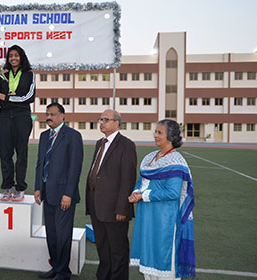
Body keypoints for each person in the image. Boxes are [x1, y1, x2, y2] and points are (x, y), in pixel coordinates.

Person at [128, 120, 196, 280]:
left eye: (160, 132)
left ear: (170, 136)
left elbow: (173, 192)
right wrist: (136, 191)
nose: (155, 135)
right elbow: (142, 180)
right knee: (148, 265)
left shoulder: (176, 161)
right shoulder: (150, 157)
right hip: (147, 217)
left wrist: (144, 196)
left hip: (165, 219)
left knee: (166, 264)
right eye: (155, 132)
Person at [85, 109, 137, 280]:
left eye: (106, 119)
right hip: (96, 205)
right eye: (101, 119)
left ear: (117, 123)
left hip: (115, 208)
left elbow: (128, 179)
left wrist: (123, 208)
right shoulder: (100, 142)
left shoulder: (126, 145)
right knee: (103, 247)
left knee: (118, 250)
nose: (102, 122)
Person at [34, 103, 83, 280]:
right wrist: (38, 187)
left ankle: (63, 272)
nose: (49, 117)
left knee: (63, 236)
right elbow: (40, 163)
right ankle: (56, 267)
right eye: (47, 114)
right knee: (52, 235)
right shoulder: (44, 135)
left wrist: (68, 194)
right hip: (47, 194)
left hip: (64, 196)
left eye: (53, 114)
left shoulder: (73, 136)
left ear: (63, 116)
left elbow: (75, 168)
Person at [0, 44, 36, 201]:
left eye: (16, 55)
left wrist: (8, 98)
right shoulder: (2, 75)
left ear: (21, 57)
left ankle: (20, 187)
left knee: (21, 153)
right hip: (4, 116)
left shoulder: (29, 74)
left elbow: (29, 97)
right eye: (10, 56)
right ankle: (7, 186)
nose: (13, 58)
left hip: (22, 116)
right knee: (5, 152)